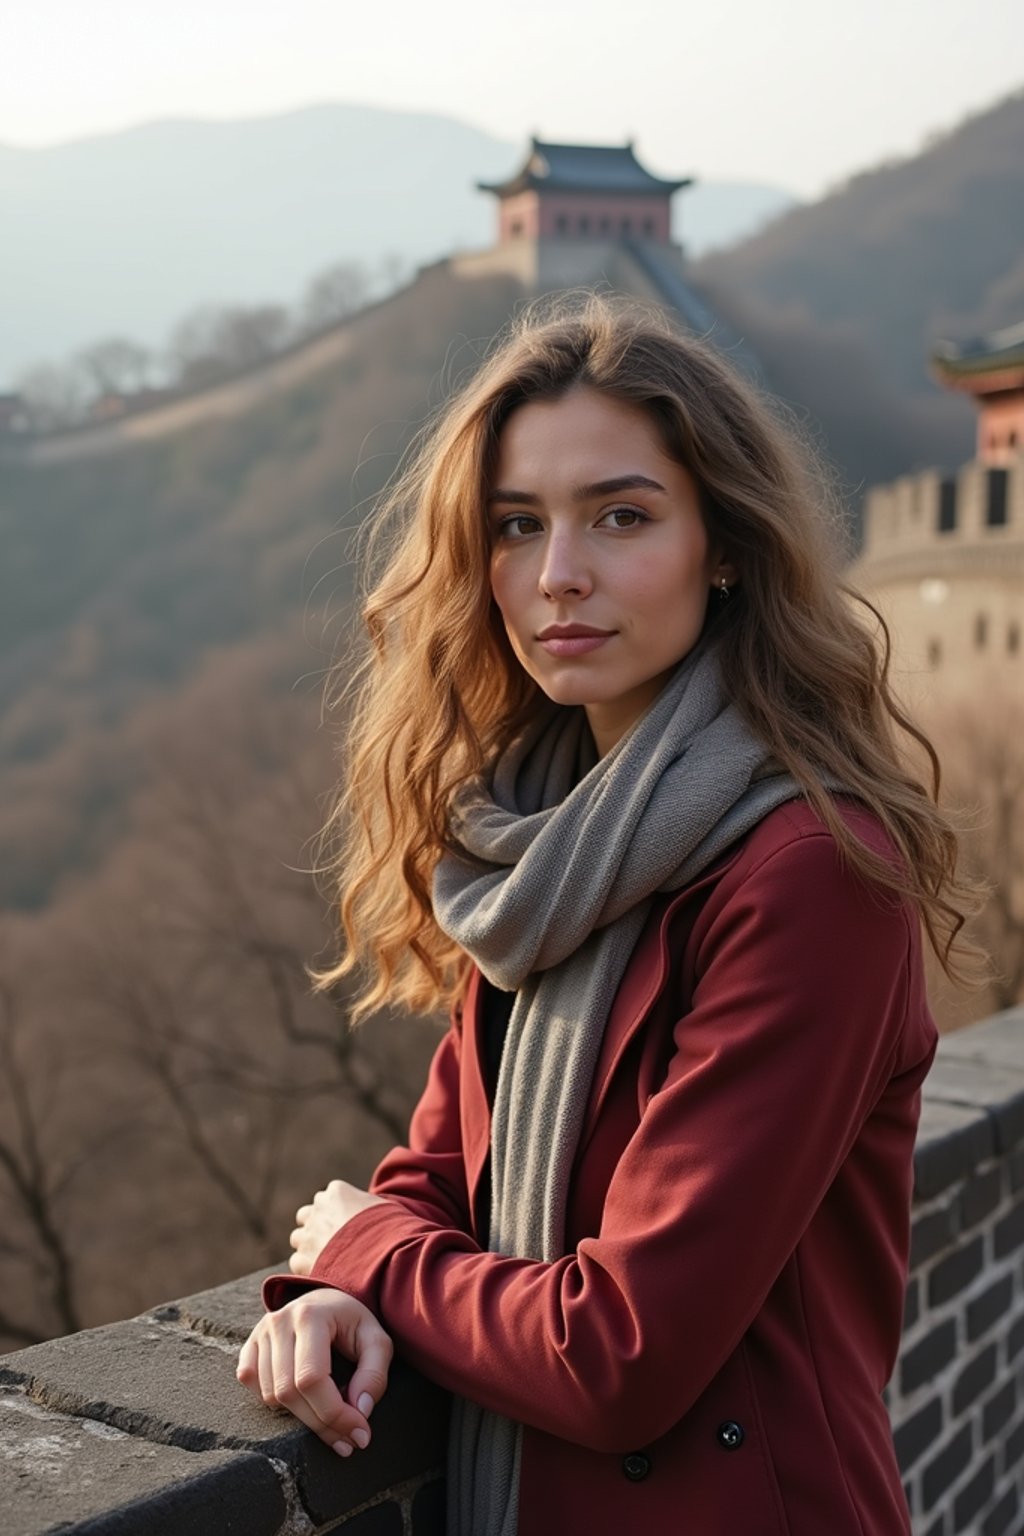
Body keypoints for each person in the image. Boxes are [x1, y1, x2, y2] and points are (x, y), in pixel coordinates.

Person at [236, 294, 977, 1535]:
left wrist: (366, 1258)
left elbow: (621, 1352)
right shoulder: (541, 852)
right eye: (516, 526)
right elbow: (432, 1177)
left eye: (621, 516)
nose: (557, 575)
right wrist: (337, 1287)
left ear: (724, 545)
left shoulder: (807, 872)